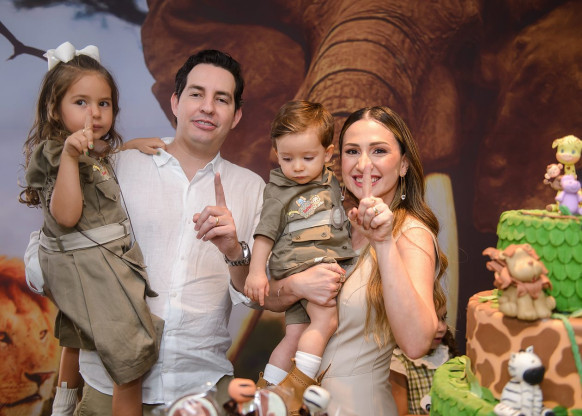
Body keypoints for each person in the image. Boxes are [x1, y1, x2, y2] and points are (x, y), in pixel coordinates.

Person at [76, 49, 265, 416]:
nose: (207, 107)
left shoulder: (252, 188)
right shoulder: (118, 167)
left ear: (236, 115)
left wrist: (234, 250)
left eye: (221, 99)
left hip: (198, 389)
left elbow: (256, 298)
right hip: (107, 385)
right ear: (175, 102)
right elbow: (57, 248)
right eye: (196, 94)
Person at [257, 106, 448, 415]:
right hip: (298, 405)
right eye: (352, 151)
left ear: (403, 164)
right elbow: (269, 299)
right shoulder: (336, 222)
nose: (363, 164)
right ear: (337, 159)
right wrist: (297, 284)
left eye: (379, 151)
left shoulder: (411, 234)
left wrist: (383, 242)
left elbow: (416, 343)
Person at [20, 41, 163, 416]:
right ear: (55, 108)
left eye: (104, 103)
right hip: (87, 266)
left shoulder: (89, 149)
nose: (95, 113)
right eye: (81, 102)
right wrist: (70, 157)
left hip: (85, 262)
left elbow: (99, 160)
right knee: (130, 359)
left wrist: (128, 147)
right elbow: (66, 215)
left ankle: (63, 403)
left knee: (76, 332)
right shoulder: (57, 154)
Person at [243, 101, 354, 397]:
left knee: (294, 335)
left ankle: (267, 393)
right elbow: (265, 233)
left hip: (307, 261)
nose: (298, 167)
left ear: (328, 154)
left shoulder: (330, 181)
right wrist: (256, 272)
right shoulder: (279, 191)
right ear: (276, 153)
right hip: (305, 263)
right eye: (287, 158)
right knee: (327, 319)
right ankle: (297, 388)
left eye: (307, 157)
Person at [389, 291, 459, 415]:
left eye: (443, 318)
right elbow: (401, 413)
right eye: (432, 320)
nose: (442, 328)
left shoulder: (445, 352)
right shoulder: (399, 363)